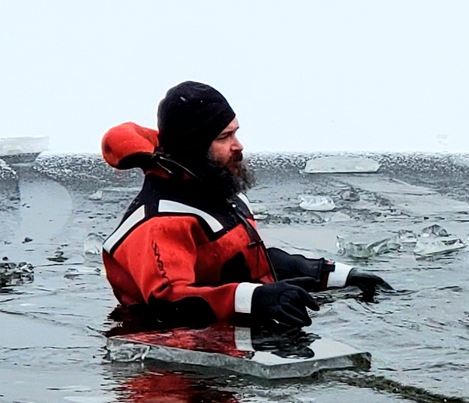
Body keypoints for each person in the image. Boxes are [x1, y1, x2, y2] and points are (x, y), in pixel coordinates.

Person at [101, 80, 391, 329]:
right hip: (168, 374)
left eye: (235, 132)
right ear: (194, 148)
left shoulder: (216, 193)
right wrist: (256, 299)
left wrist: (338, 276)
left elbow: (248, 262)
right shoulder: (159, 222)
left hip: (227, 347)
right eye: (224, 137)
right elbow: (168, 302)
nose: (238, 145)